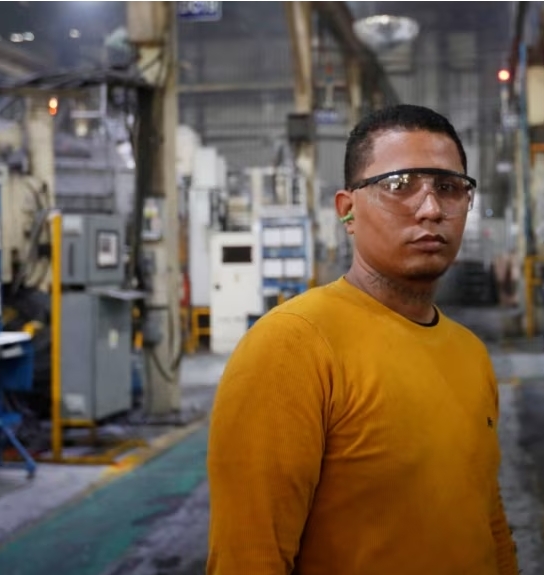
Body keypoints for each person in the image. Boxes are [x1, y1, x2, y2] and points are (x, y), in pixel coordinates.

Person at [207, 104, 520, 575]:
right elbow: (249, 560)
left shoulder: (470, 353)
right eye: (399, 186)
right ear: (347, 211)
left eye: (449, 188)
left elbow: (487, 518)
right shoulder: (293, 347)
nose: (431, 208)